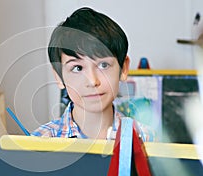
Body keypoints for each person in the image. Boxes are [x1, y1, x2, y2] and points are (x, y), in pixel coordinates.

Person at [31, 7, 155, 141]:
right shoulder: (40, 140)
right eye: (77, 68)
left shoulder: (145, 137)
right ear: (58, 76)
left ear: (123, 68)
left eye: (103, 65)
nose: (92, 81)